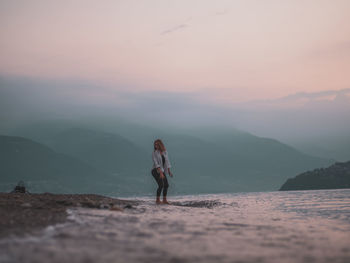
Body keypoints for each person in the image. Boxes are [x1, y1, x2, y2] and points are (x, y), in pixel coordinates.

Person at [151, 139, 173, 204]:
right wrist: (160, 173)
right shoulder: (154, 153)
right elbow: (156, 163)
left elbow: (167, 162)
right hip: (155, 170)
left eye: (157, 144)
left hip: (162, 170)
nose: (156, 146)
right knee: (161, 185)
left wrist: (169, 171)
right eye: (155, 144)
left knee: (166, 185)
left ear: (160, 144)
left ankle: (164, 200)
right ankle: (157, 200)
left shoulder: (165, 152)